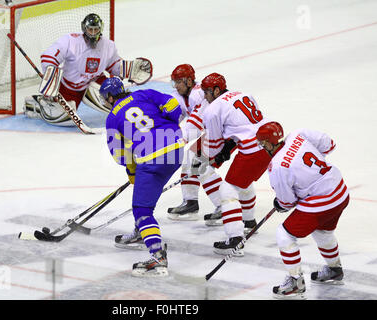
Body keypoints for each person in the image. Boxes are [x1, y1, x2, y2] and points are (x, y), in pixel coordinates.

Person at [100, 77, 184, 277]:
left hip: (152, 158)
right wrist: (169, 127)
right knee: (147, 198)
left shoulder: (112, 118)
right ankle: (141, 232)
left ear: (110, 97)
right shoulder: (144, 93)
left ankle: (158, 256)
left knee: (142, 209)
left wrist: (132, 172)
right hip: (176, 148)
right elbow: (174, 106)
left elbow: (121, 155)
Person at [255, 121, 350, 299]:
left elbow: (287, 202)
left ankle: (295, 282)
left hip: (322, 200)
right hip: (340, 191)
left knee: (284, 234)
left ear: (269, 143)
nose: (262, 147)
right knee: (322, 231)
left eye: (262, 143)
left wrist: (279, 203)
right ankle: (334, 269)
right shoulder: (298, 134)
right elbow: (329, 143)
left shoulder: (277, 166)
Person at [24, 13, 152, 126]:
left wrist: (129, 70)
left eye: (96, 29)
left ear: (100, 29)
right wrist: (50, 76)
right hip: (69, 88)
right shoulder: (70, 41)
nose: (93, 33)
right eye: (90, 29)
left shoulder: (108, 45)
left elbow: (114, 65)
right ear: (84, 29)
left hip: (94, 82)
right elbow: (49, 56)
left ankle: (128, 110)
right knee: (66, 119)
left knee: (114, 90)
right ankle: (37, 104)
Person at [197, 73, 272, 256]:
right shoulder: (243, 94)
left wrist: (214, 157)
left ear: (216, 90)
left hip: (251, 152)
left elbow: (214, 145)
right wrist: (230, 144)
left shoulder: (213, 109)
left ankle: (235, 239)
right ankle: (247, 222)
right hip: (268, 146)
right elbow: (248, 125)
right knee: (242, 183)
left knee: (228, 191)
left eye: (207, 92)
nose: (205, 96)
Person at [166, 64, 224, 222]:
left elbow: (196, 123)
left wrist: (180, 140)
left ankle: (224, 207)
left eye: (179, 82)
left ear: (189, 81)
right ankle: (190, 202)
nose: (176, 86)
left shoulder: (200, 94)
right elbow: (176, 119)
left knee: (199, 164)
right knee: (189, 158)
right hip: (212, 132)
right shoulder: (180, 96)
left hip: (222, 132)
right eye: (174, 82)